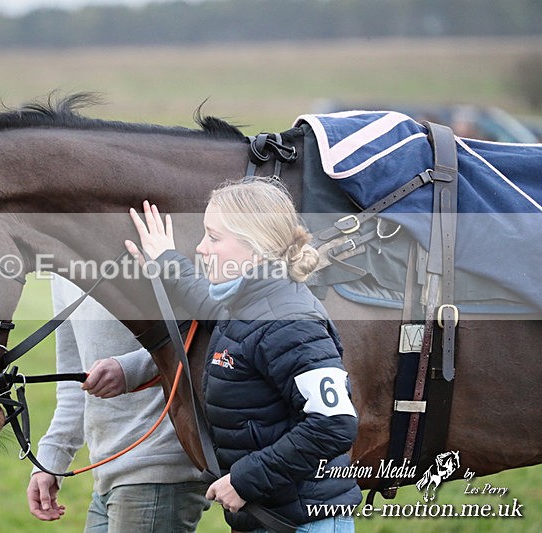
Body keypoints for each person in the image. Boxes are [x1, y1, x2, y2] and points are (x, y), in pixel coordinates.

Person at [123, 178, 362, 532]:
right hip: (272, 517)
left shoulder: (290, 323)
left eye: (214, 237)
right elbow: (204, 300)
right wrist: (166, 260)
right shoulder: (244, 302)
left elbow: (334, 424)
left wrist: (244, 481)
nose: (201, 248)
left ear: (256, 249)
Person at [25, 275, 210, 532]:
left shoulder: (155, 246)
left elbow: (199, 333)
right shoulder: (61, 270)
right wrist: (51, 460)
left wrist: (130, 370)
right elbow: (74, 380)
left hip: (159, 466)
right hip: (106, 472)